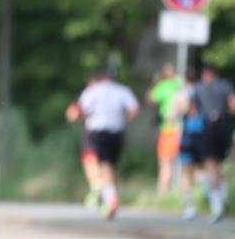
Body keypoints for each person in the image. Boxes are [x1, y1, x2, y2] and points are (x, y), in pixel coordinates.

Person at [76, 68, 140, 219]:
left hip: (96, 131)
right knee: (108, 165)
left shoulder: (92, 90)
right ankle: (111, 199)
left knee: (90, 159)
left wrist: (83, 116)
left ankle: (96, 186)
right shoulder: (123, 91)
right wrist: (124, 120)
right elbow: (135, 110)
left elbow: (80, 110)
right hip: (116, 132)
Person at [194, 62, 235, 222]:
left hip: (208, 127)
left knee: (211, 165)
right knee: (219, 164)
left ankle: (217, 207)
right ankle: (224, 198)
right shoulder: (225, 85)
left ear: (205, 73)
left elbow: (193, 111)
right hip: (223, 126)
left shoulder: (199, 87)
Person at [172, 67, 207, 220]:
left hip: (187, 136)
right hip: (204, 136)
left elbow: (171, 115)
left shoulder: (182, 94)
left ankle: (190, 206)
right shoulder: (204, 92)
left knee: (185, 173)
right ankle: (211, 194)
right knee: (202, 170)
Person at [146, 63, 184, 193]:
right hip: (181, 128)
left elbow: (150, 99)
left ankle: (163, 192)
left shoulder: (164, 86)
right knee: (181, 163)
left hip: (169, 128)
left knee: (165, 162)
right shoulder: (181, 84)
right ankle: (176, 191)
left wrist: (155, 83)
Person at [66, 73, 102, 208]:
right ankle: (109, 192)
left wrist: (75, 115)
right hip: (113, 132)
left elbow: (74, 113)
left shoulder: (90, 93)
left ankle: (96, 188)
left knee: (90, 160)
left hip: (92, 131)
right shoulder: (114, 91)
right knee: (106, 162)